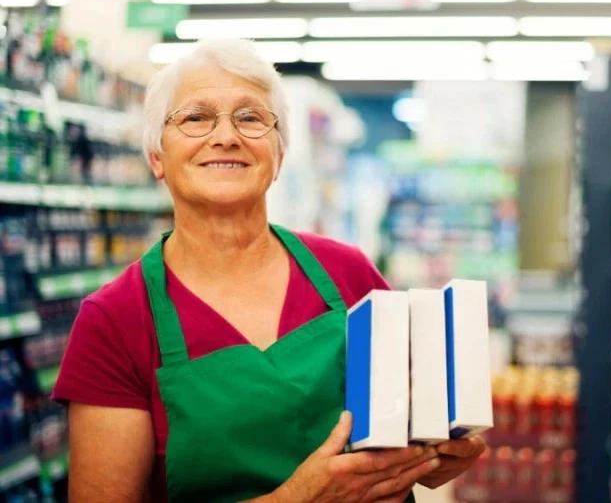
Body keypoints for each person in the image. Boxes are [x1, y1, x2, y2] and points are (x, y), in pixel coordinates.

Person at [52, 39, 485, 503]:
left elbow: (418, 423)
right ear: (156, 155)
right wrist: (298, 498)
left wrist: (439, 452)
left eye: (251, 118)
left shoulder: (349, 274)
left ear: (279, 155)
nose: (226, 136)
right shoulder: (116, 319)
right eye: (196, 117)